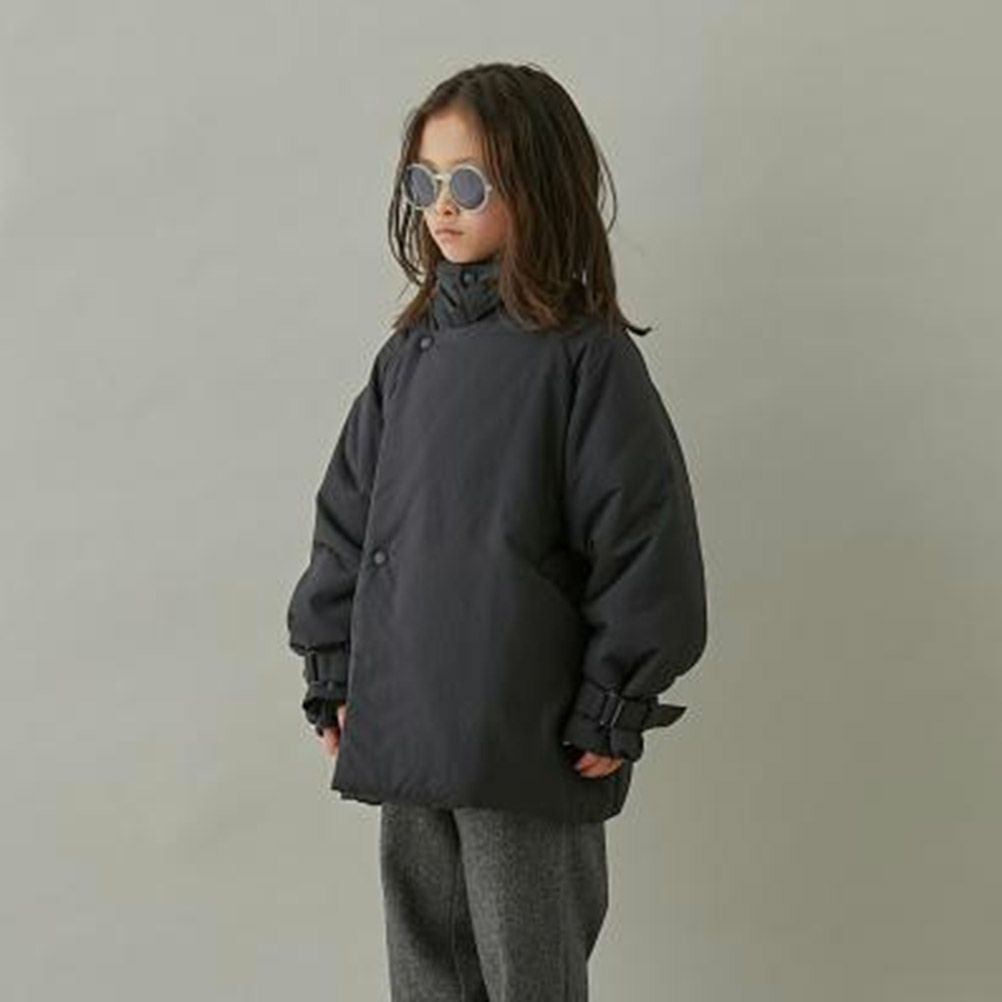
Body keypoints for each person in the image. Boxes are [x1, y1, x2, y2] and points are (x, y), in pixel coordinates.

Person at [285, 61, 708, 1002]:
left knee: (530, 969)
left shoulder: (584, 359)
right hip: (409, 716)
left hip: (524, 730)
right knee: (426, 966)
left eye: (469, 182)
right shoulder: (406, 358)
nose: (442, 205)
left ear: (538, 186)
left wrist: (616, 699)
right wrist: (333, 671)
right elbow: (348, 520)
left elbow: (643, 539)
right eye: (424, 180)